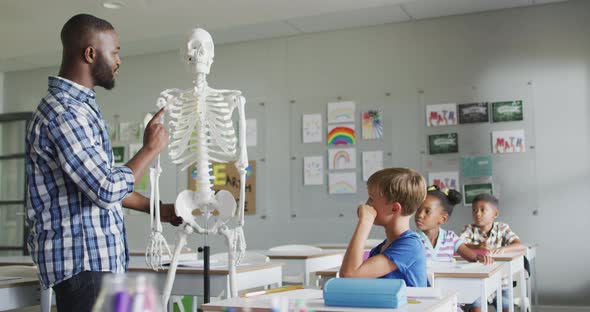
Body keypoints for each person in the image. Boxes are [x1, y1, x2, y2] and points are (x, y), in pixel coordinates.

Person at [25, 14, 182, 312]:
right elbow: (106, 188)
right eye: (115, 51)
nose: (119, 60)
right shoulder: (63, 113)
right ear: (90, 53)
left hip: (100, 264)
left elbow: (102, 186)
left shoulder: (82, 109)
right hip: (84, 267)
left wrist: (159, 210)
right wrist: (149, 149)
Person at [340, 168, 428, 287]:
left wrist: (365, 222)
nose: (366, 205)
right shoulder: (380, 249)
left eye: (371, 198)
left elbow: (349, 274)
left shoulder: (410, 245)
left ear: (394, 209)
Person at [460, 193, 524, 312]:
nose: (477, 213)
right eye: (474, 210)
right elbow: (458, 245)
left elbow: (519, 245)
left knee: (507, 307)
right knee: (476, 307)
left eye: (483, 210)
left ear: (495, 214)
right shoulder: (469, 229)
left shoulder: (502, 228)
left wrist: (504, 249)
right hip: (478, 283)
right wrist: (477, 246)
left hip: (501, 283)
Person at [415, 185, 493, 264]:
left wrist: (481, 258)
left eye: (427, 211)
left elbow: (473, 257)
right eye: (418, 209)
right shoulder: (412, 239)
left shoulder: (450, 238)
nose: (420, 215)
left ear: (443, 219)